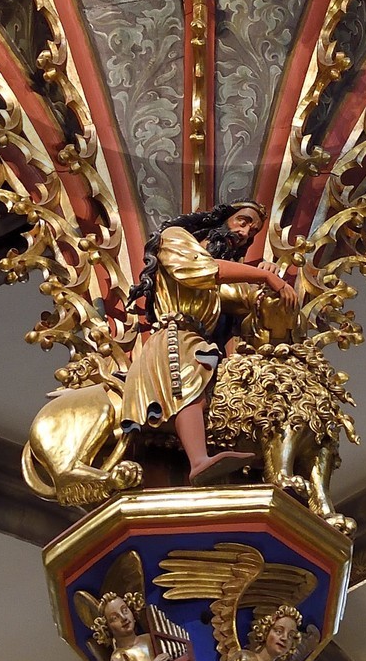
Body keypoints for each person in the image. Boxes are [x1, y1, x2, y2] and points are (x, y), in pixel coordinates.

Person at [122, 201, 296, 483]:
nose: (245, 233)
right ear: (220, 219)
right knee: (188, 387)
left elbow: (243, 300)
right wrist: (262, 275)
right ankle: (199, 461)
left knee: (204, 396)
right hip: (174, 335)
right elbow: (202, 269)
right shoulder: (175, 238)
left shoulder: (216, 286)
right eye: (243, 221)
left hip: (197, 340)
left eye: (252, 231)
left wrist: (266, 278)